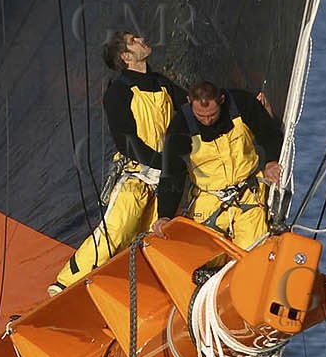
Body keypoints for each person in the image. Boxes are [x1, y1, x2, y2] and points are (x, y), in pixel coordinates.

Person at [51, 31, 186, 292]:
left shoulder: (161, 83)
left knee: (155, 238)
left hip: (164, 180)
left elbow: (193, 106)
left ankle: (142, 293)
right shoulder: (119, 91)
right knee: (117, 230)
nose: (142, 39)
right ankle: (64, 285)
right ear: (126, 56)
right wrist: (162, 162)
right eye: (134, 40)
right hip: (137, 176)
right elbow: (126, 141)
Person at [153, 80, 284, 248]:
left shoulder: (242, 103)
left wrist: (271, 161)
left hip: (248, 195)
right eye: (201, 116)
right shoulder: (180, 125)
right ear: (189, 101)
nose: (207, 120)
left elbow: (270, 134)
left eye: (212, 114)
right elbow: (172, 172)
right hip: (208, 200)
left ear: (221, 100)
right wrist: (165, 214)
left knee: (252, 251)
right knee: (200, 256)